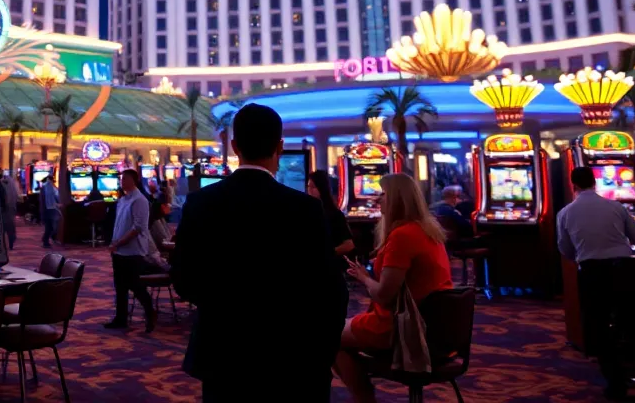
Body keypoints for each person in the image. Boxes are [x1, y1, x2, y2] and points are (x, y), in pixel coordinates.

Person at [171, 104, 347, 402]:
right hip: (293, 354)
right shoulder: (304, 208)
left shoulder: (201, 202)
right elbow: (330, 289)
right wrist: (323, 353)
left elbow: (184, 281)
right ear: (280, 146)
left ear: (234, 146)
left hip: (222, 353)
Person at [334, 173, 453, 402]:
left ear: (398, 199)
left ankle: (363, 398)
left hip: (405, 329)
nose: (378, 200)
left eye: (384, 194)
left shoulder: (403, 236)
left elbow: (384, 296)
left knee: (328, 333)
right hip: (438, 329)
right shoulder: (428, 231)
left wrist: (363, 278)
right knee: (338, 327)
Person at [556, 166, 635, 399]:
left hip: (591, 271)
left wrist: (581, 257)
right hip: (624, 269)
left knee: (599, 326)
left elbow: (565, 248)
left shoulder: (565, 213)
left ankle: (615, 381)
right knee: (632, 319)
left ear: (573, 185)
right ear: (594, 182)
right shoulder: (615, 206)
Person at [103, 169, 156, 332]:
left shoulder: (139, 200)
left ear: (135, 180)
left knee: (135, 285)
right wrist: (115, 242)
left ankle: (150, 313)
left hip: (133, 250)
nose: (122, 181)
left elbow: (138, 228)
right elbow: (120, 224)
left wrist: (119, 242)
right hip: (119, 249)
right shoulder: (123, 199)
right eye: (121, 179)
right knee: (120, 286)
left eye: (125, 179)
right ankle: (121, 318)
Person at [308, 170, 355, 257]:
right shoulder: (306, 212)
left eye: (313, 187)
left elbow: (349, 245)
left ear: (322, 188)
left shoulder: (334, 214)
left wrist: (328, 254)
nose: (309, 190)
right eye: (308, 186)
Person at [1, 168, 21, 249]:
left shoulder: (2, 183)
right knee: (10, 226)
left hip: (5, 208)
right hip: (11, 207)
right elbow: (16, 195)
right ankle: (11, 241)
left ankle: (5, 243)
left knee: (4, 226)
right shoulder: (13, 182)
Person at [39, 171, 60, 248]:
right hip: (50, 209)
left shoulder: (45, 186)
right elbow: (56, 196)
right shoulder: (49, 186)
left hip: (46, 209)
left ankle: (45, 240)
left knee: (49, 226)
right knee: (52, 226)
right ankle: (46, 240)